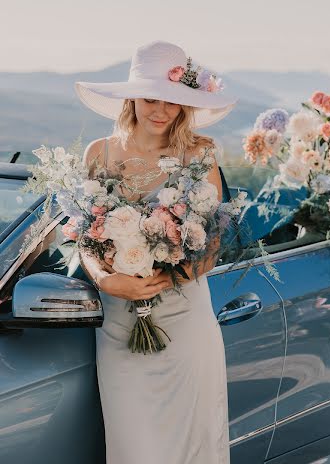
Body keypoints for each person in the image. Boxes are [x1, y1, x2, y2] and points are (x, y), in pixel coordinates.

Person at [74, 40, 238, 464]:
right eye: (150, 98)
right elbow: (83, 236)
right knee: (135, 450)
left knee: (194, 445)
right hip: (119, 330)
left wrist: (177, 275)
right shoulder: (99, 153)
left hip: (186, 324)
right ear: (132, 98)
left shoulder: (199, 154)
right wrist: (105, 279)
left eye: (173, 102)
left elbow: (213, 242)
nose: (161, 111)